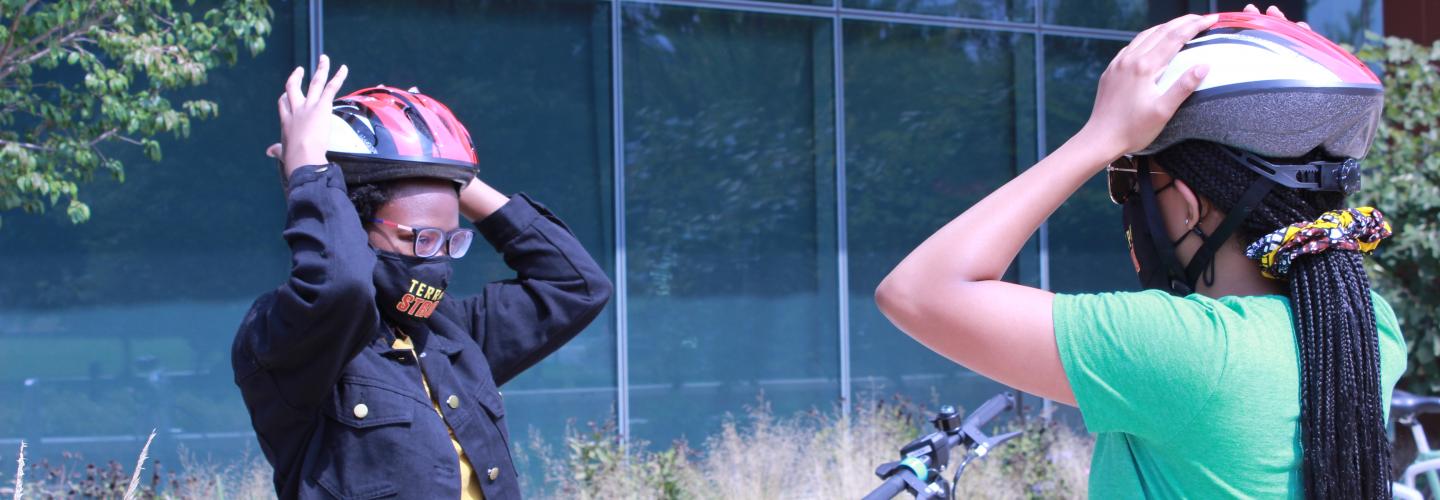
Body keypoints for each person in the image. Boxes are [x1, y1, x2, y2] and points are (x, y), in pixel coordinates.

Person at [875, 5, 1405, 499]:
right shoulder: (1365, 326)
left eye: (1131, 180)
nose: (1128, 201)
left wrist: (1100, 136)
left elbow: (918, 291)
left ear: (1189, 206)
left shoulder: (1187, 351)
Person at [231, 55, 613, 499]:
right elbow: (341, 285)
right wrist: (310, 173)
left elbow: (576, 285)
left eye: (451, 241)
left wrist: (443, 169)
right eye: (421, 240)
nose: (438, 261)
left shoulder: (452, 335)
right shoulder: (295, 344)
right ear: (354, 227)